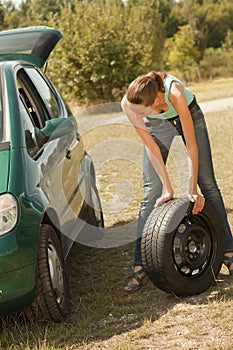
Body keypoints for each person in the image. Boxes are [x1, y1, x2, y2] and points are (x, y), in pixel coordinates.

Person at [121, 71, 233, 292]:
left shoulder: (176, 93)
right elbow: (152, 148)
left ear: (156, 100)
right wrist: (168, 188)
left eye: (142, 112)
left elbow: (191, 146)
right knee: (150, 191)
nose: (138, 115)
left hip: (188, 114)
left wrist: (191, 189)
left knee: (207, 185)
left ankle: (229, 252)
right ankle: (140, 264)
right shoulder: (130, 104)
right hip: (157, 122)